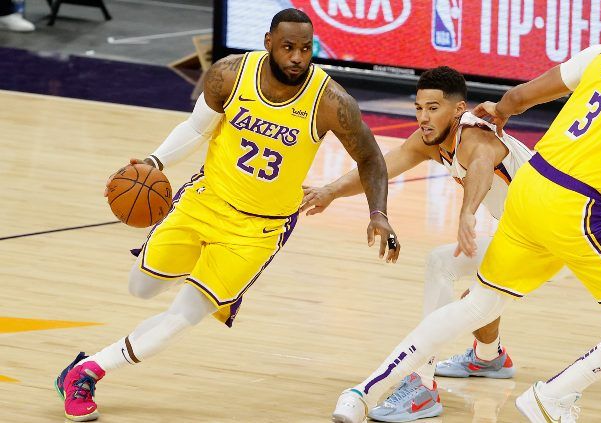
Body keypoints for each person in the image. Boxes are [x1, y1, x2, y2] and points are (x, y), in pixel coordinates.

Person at [332, 3, 601, 422]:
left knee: (475, 307)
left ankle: (362, 393)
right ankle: (555, 395)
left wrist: (502, 111)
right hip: (574, 208)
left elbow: (516, 98)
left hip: (530, 190)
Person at [53, 8, 400, 422]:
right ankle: (194, 269)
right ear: (269, 41)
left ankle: (86, 371)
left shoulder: (330, 101)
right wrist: (154, 160)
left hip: (258, 229)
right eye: (288, 47)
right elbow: (197, 129)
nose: (297, 57)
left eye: (306, 49)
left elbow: (371, 157)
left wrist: (377, 211)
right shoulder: (230, 74)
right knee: (141, 289)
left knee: (185, 315)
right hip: (205, 200)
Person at [303, 66, 526, 422]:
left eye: (433, 108)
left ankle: (422, 385)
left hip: (544, 236)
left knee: (460, 283)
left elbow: (482, 165)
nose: (423, 116)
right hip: (518, 233)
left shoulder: (475, 137)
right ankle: (488, 357)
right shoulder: (430, 141)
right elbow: (380, 167)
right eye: (419, 107)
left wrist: (467, 213)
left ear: (458, 109)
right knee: (456, 276)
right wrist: (330, 191)